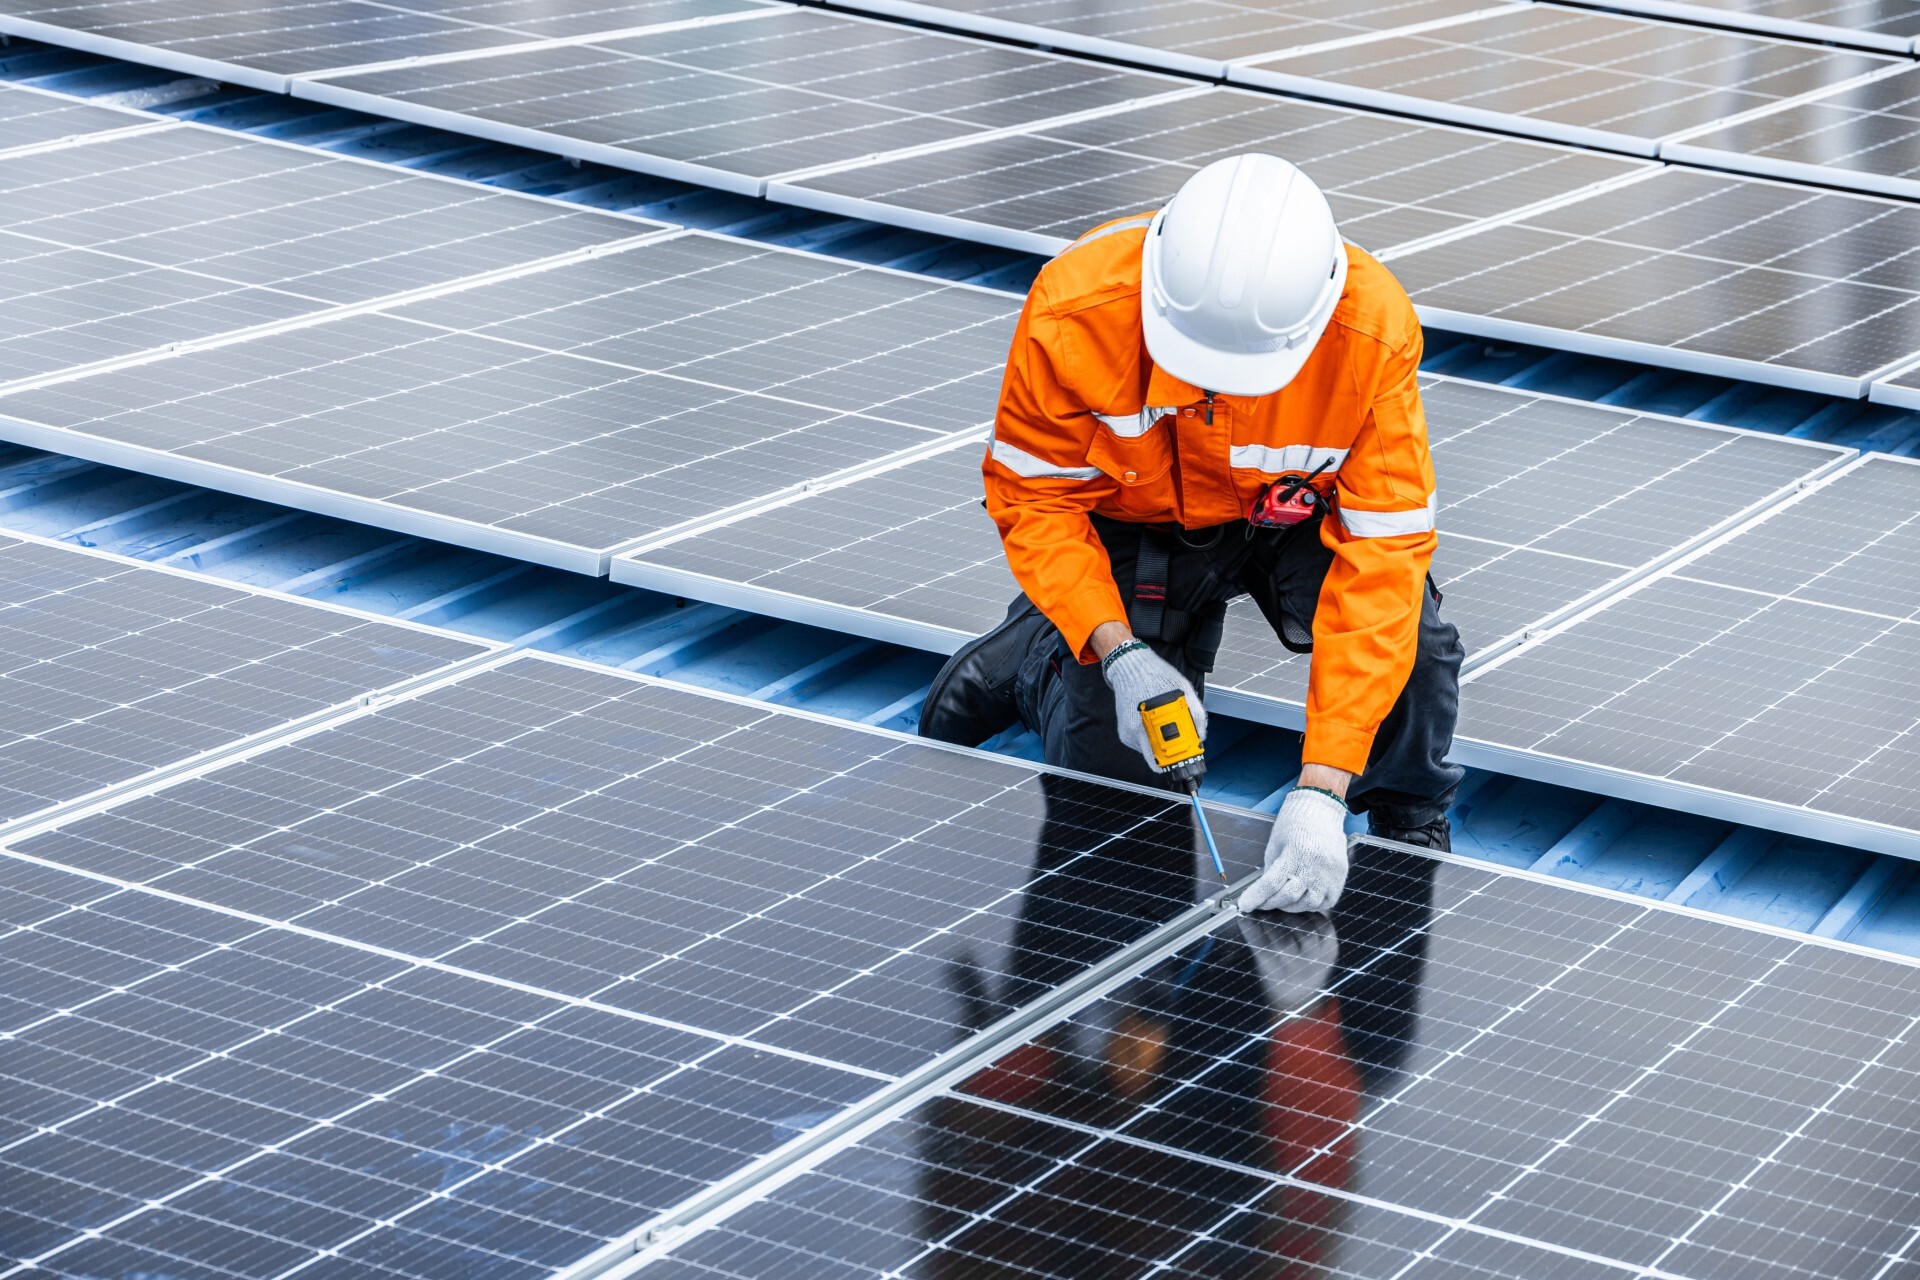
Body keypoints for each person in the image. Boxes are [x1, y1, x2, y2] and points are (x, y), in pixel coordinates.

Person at [919, 152, 1462, 915]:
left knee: (1418, 651)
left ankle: (1408, 823)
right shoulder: (1074, 310)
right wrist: (1120, 652)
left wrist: (1324, 787)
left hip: (1288, 520)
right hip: (1137, 524)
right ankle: (1044, 655)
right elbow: (1034, 500)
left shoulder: (1369, 331)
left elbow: (1384, 558)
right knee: (1117, 801)